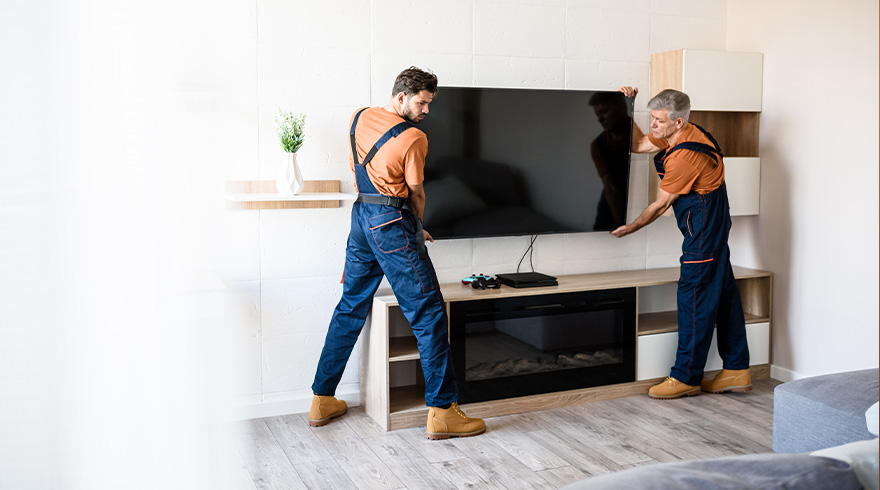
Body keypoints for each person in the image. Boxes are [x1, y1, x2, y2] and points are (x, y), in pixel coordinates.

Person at [309, 67, 486, 439]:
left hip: (361, 219)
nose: (426, 111)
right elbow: (416, 193)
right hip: (392, 224)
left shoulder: (359, 117)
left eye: (429, 104)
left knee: (350, 305)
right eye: (422, 103)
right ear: (401, 96)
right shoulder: (414, 138)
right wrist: (417, 228)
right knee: (430, 314)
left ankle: (322, 398)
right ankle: (442, 412)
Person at [612, 86, 751, 400]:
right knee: (723, 292)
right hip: (710, 218)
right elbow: (636, 144)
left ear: (678, 122)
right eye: (653, 119)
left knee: (695, 294)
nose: (654, 125)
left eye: (659, 121)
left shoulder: (685, 155)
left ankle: (686, 377)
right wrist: (627, 105)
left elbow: (660, 205)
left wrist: (630, 228)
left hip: (704, 222)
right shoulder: (679, 132)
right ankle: (736, 368)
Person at [588, 91, 632, 230]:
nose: (600, 119)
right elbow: (609, 184)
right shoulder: (598, 145)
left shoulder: (641, 132)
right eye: (597, 114)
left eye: (604, 111)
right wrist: (619, 220)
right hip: (612, 201)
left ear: (620, 107)